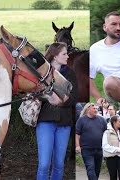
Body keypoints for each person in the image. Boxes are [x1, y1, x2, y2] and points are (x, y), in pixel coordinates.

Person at [36, 42, 77, 180]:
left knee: (59, 164)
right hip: (45, 121)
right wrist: (49, 97)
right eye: (64, 54)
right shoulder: (42, 72)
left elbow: (73, 98)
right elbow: (35, 94)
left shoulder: (70, 73)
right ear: (55, 56)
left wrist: (60, 100)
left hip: (64, 124)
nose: (67, 56)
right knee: (44, 164)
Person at [76, 103, 107, 180]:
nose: (96, 110)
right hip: (87, 149)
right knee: (90, 168)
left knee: (97, 170)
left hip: (99, 149)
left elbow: (106, 134)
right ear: (88, 109)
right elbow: (77, 134)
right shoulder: (82, 120)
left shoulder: (102, 120)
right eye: (94, 108)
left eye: (97, 108)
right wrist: (77, 146)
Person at [102, 115, 120, 180]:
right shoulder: (107, 132)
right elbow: (105, 146)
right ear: (114, 122)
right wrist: (117, 149)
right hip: (111, 157)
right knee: (113, 176)